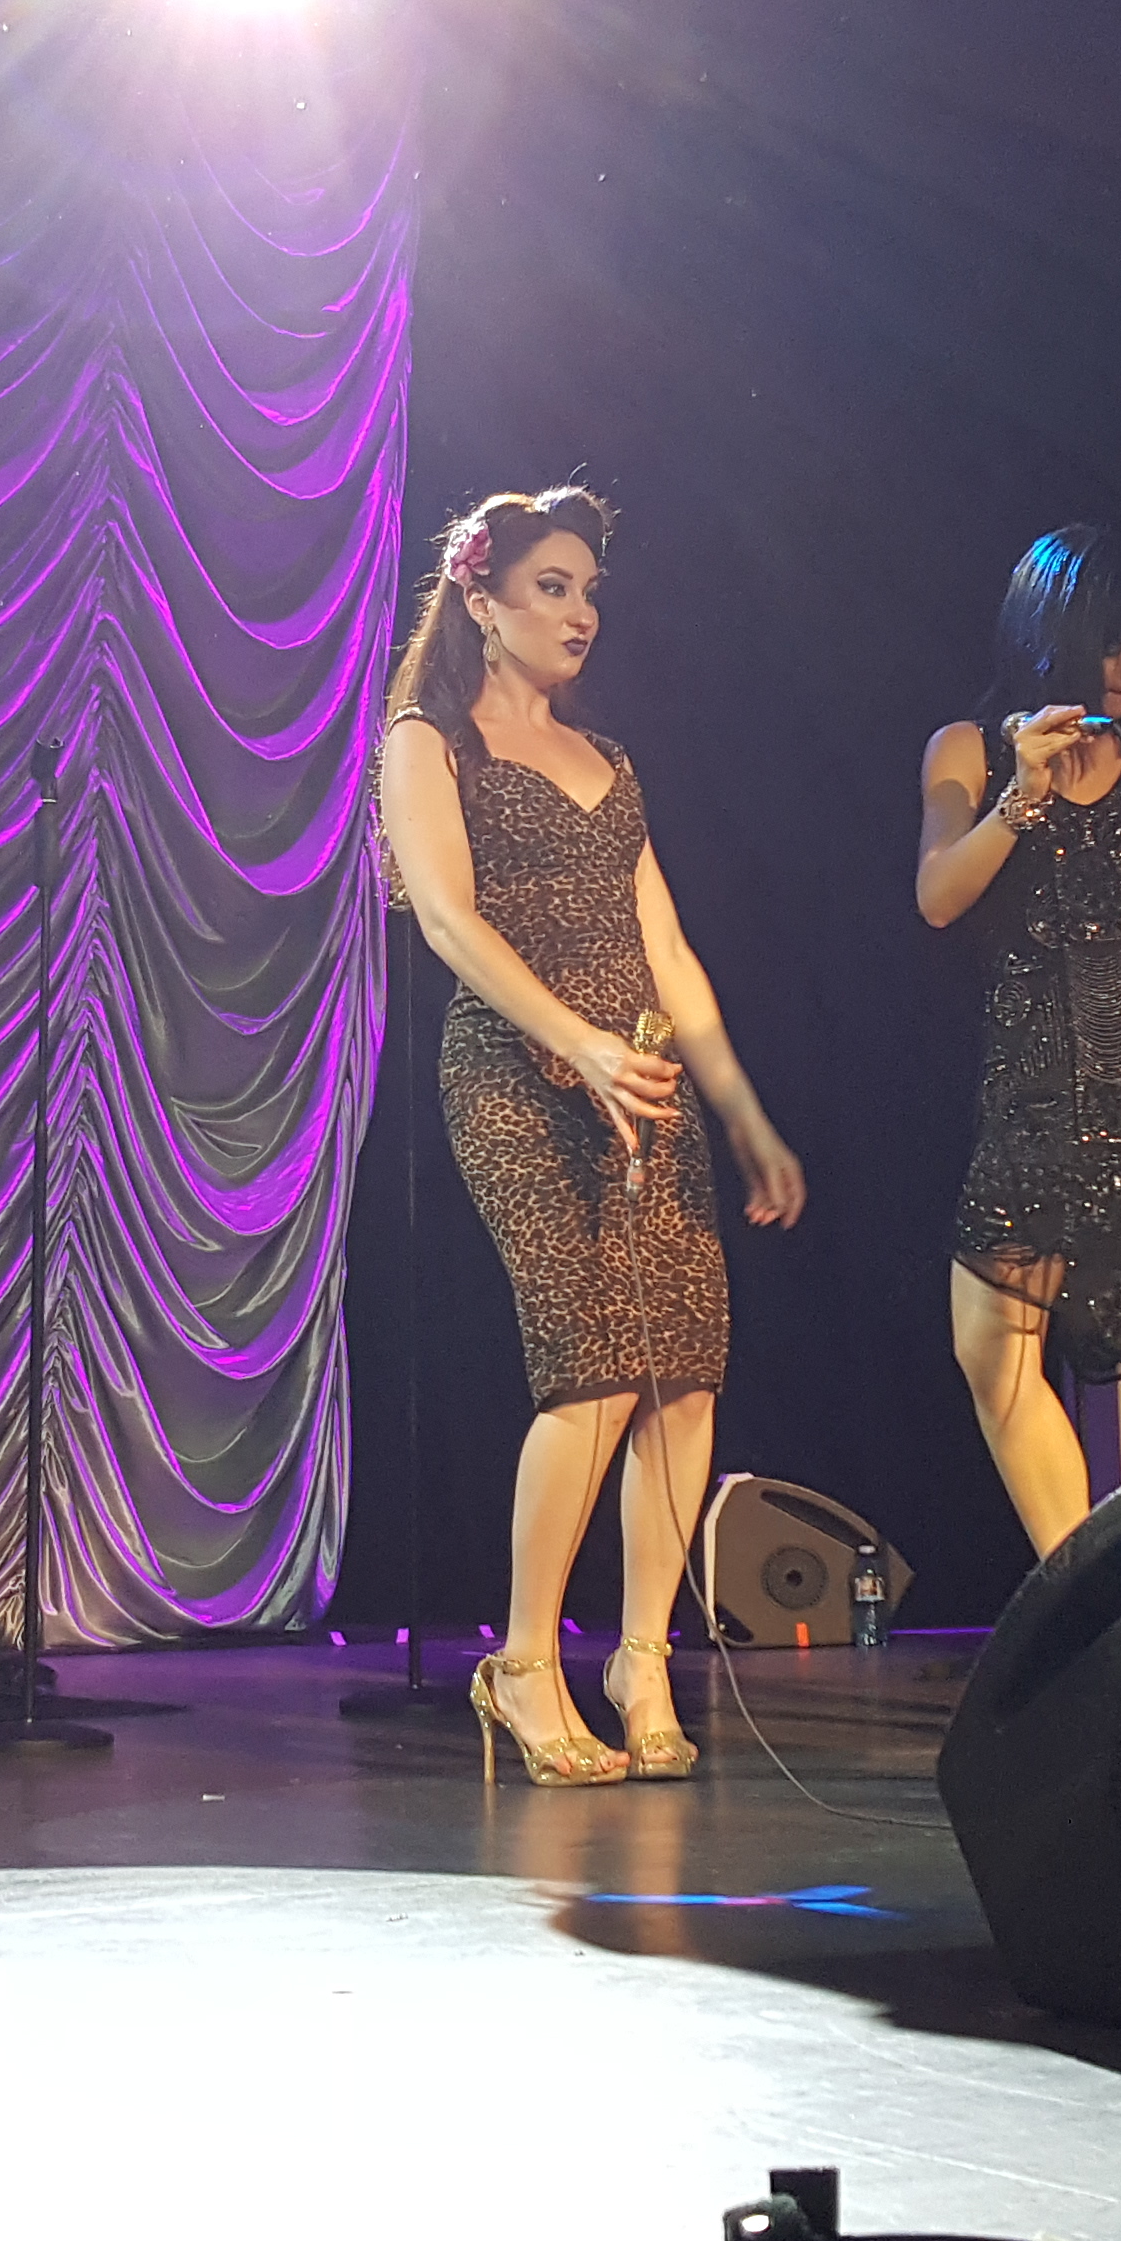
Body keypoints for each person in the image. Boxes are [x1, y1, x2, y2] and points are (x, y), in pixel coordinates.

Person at [373, 488, 807, 1786]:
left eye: (589, 592)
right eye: (551, 587)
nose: (579, 614)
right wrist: (576, 1043)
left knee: (685, 1370)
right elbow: (446, 921)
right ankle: (522, 1663)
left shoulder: (608, 760)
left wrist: (741, 1111)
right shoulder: (427, 741)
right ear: (481, 597)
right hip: (515, 1074)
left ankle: (642, 1661)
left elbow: (664, 946)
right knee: (593, 1364)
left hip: (641, 1080)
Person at [914, 525, 1121, 1552]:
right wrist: (1021, 797)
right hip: (1037, 1080)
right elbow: (938, 897)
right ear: (1051, 630)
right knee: (994, 1345)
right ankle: (1085, 1584)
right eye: (1112, 639)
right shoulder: (969, 748)